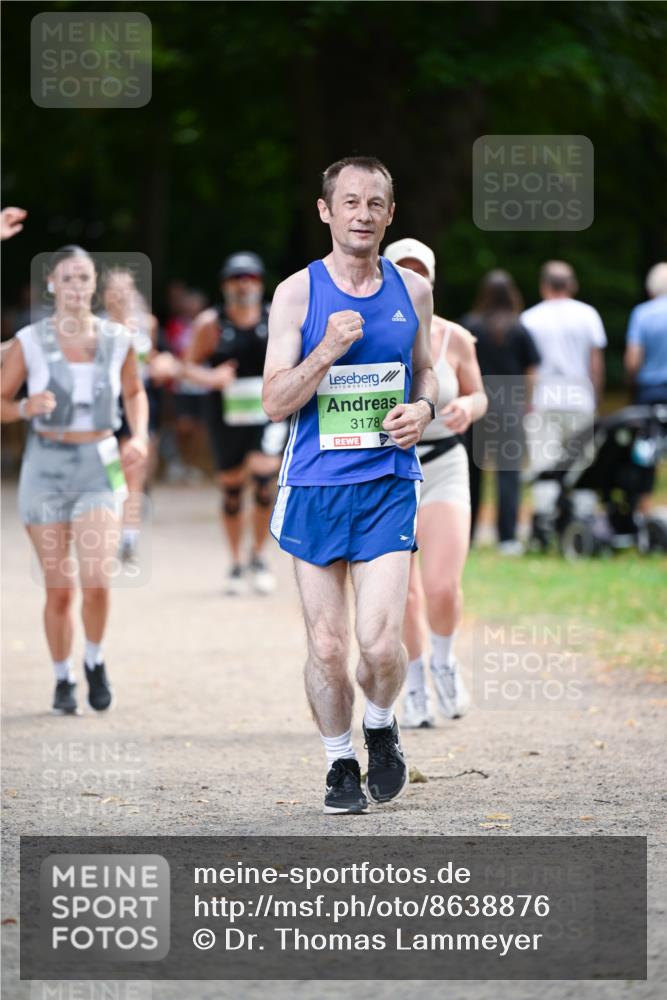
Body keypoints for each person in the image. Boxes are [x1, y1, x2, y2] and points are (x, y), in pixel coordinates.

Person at [263, 157, 438, 814]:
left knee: (379, 642)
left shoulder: (412, 291)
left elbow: (426, 373)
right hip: (312, 485)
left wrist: (422, 411)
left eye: (374, 204)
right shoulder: (297, 295)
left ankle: (380, 725)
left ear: (390, 215)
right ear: (325, 211)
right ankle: (340, 763)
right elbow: (275, 401)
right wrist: (326, 351)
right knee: (328, 646)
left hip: (386, 484)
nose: (361, 214)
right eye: (350, 202)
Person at [0, 245, 148, 714]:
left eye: (84, 278)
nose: (76, 287)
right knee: (59, 587)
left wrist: (138, 436)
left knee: (97, 579)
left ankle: (95, 659)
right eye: (67, 278)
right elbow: (2, 400)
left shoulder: (117, 338)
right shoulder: (28, 340)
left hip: (98, 460)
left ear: (94, 285)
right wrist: (24, 408)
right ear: (51, 285)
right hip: (45, 463)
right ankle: (62, 677)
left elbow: (134, 391)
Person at [383, 238, 486, 729]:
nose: (410, 280)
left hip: (444, 461)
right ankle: (417, 681)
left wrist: (469, 406)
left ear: (431, 279)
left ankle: (444, 659)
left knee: (441, 585)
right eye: (400, 271)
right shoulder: (370, 333)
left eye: (418, 272)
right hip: (389, 466)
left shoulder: (455, 338)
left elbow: (479, 393)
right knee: (402, 591)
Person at [151, 252, 286, 595]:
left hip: (267, 415)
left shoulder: (276, 318)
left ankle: (259, 556)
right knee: (231, 491)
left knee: (263, 479)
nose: (244, 284)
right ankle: (236, 562)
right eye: (237, 278)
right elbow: (186, 366)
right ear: (226, 285)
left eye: (251, 278)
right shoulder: (211, 324)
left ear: (259, 282)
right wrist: (210, 376)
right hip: (226, 415)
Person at [520, 261, 606, 542]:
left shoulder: (531, 318)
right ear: (572, 285)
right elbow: (595, 364)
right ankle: (583, 521)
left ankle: (544, 521)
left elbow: (528, 369)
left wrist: (526, 402)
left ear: (544, 285)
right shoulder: (588, 314)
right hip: (580, 397)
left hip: (545, 397)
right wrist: (597, 399)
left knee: (544, 460)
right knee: (582, 461)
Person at [462, 269, 540, 554]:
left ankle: (466, 536)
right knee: (509, 474)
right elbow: (531, 372)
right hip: (509, 407)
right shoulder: (519, 328)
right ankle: (507, 538)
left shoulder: (470, 325)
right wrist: (526, 403)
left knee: (470, 473)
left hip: (476, 404)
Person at [102, 267, 160, 563]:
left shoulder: (147, 324)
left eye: (127, 287)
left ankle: (129, 538)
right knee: (110, 474)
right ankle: (108, 531)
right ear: (105, 294)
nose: (122, 294)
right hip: (107, 403)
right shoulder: (97, 327)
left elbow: (153, 361)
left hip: (138, 399)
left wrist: (162, 365)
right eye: (115, 288)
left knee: (133, 470)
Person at [625, 262, 667, 405]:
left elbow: (633, 362)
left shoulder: (642, 314)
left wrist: (631, 387)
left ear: (650, 288)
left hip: (650, 391)